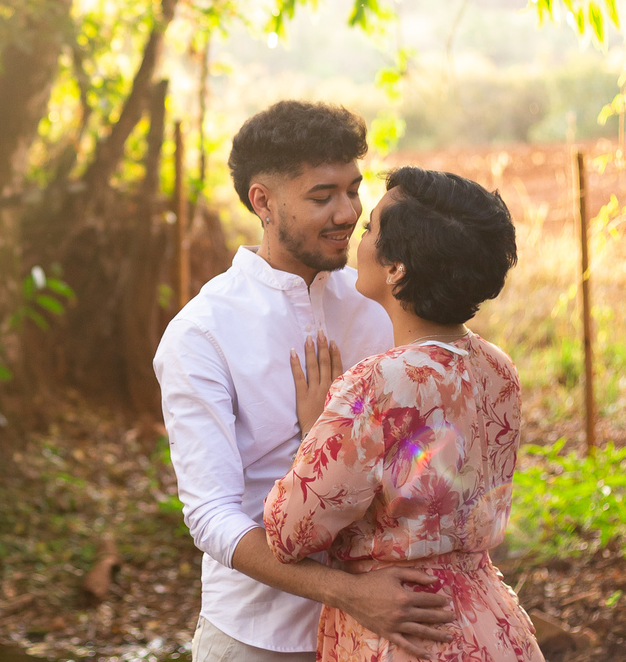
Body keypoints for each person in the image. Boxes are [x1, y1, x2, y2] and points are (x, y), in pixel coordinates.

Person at [154, 101, 455, 662]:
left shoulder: (380, 305)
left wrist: (338, 434)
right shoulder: (202, 333)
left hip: (386, 631)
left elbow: (426, 457)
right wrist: (348, 593)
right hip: (257, 635)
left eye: (353, 190)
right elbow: (211, 515)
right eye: (322, 197)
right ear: (262, 202)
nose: (347, 213)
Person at [264, 167, 544, 662]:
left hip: (405, 628)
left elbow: (289, 531)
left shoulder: (377, 383)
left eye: (370, 227)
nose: (359, 232)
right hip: (493, 623)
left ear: (396, 269)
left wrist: (317, 430)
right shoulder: (498, 367)